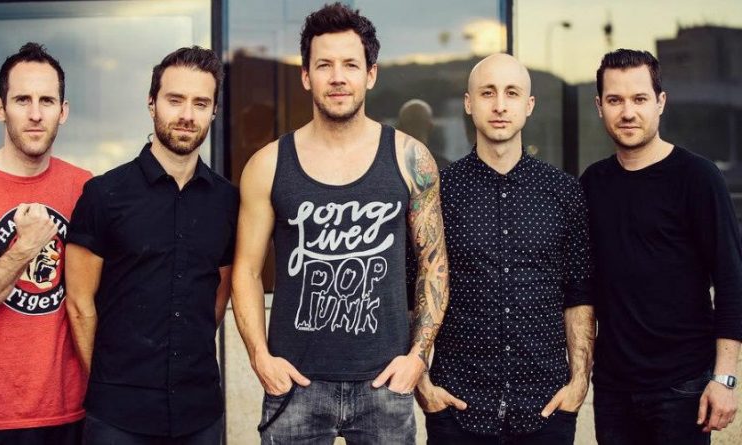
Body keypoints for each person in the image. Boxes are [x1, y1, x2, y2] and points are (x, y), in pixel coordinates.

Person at [232, 3, 448, 444]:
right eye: (324, 65)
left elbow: (434, 264)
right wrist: (260, 357)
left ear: (371, 74)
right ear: (305, 76)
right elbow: (247, 271)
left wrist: (417, 358)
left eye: (350, 64)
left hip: (384, 386)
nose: (337, 77)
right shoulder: (268, 165)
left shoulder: (410, 158)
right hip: (294, 387)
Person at [415, 53, 595, 445]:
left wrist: (579, 382)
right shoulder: (439, 193)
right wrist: (423, 384)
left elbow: (578, 295)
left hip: (546, 408)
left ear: (529, 105)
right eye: (488, 93)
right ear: (468, 103)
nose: (499, 105)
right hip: (457, 410)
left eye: (511, 93)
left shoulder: (563, 191)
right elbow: (413, 289)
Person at [65, 46, 237, 444]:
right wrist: (110, 382)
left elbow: (219, 292)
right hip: (117, 419)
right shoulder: (104, 194)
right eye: (175, 100)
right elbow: (79, 303)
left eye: (200, 103)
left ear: (213, 111)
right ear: (151, 103)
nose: (187, 115)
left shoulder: (227, 201)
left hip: (199, 414)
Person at [581, 48, 742, 445]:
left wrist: (724, 378)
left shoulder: (698, 177)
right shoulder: (593, 183)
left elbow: (731, 280)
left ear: (660, 102)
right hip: (614, 390)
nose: (628, 112)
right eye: (615, 100)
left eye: (640, 99)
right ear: (599, 107)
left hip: (684, 387)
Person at [0, 42, 89, 445]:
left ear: (63, 111)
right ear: (0, 107)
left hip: (72, 408)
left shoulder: (85, 188)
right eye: (22, 100)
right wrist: (26, 247)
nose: (36, 114)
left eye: (47, 101)